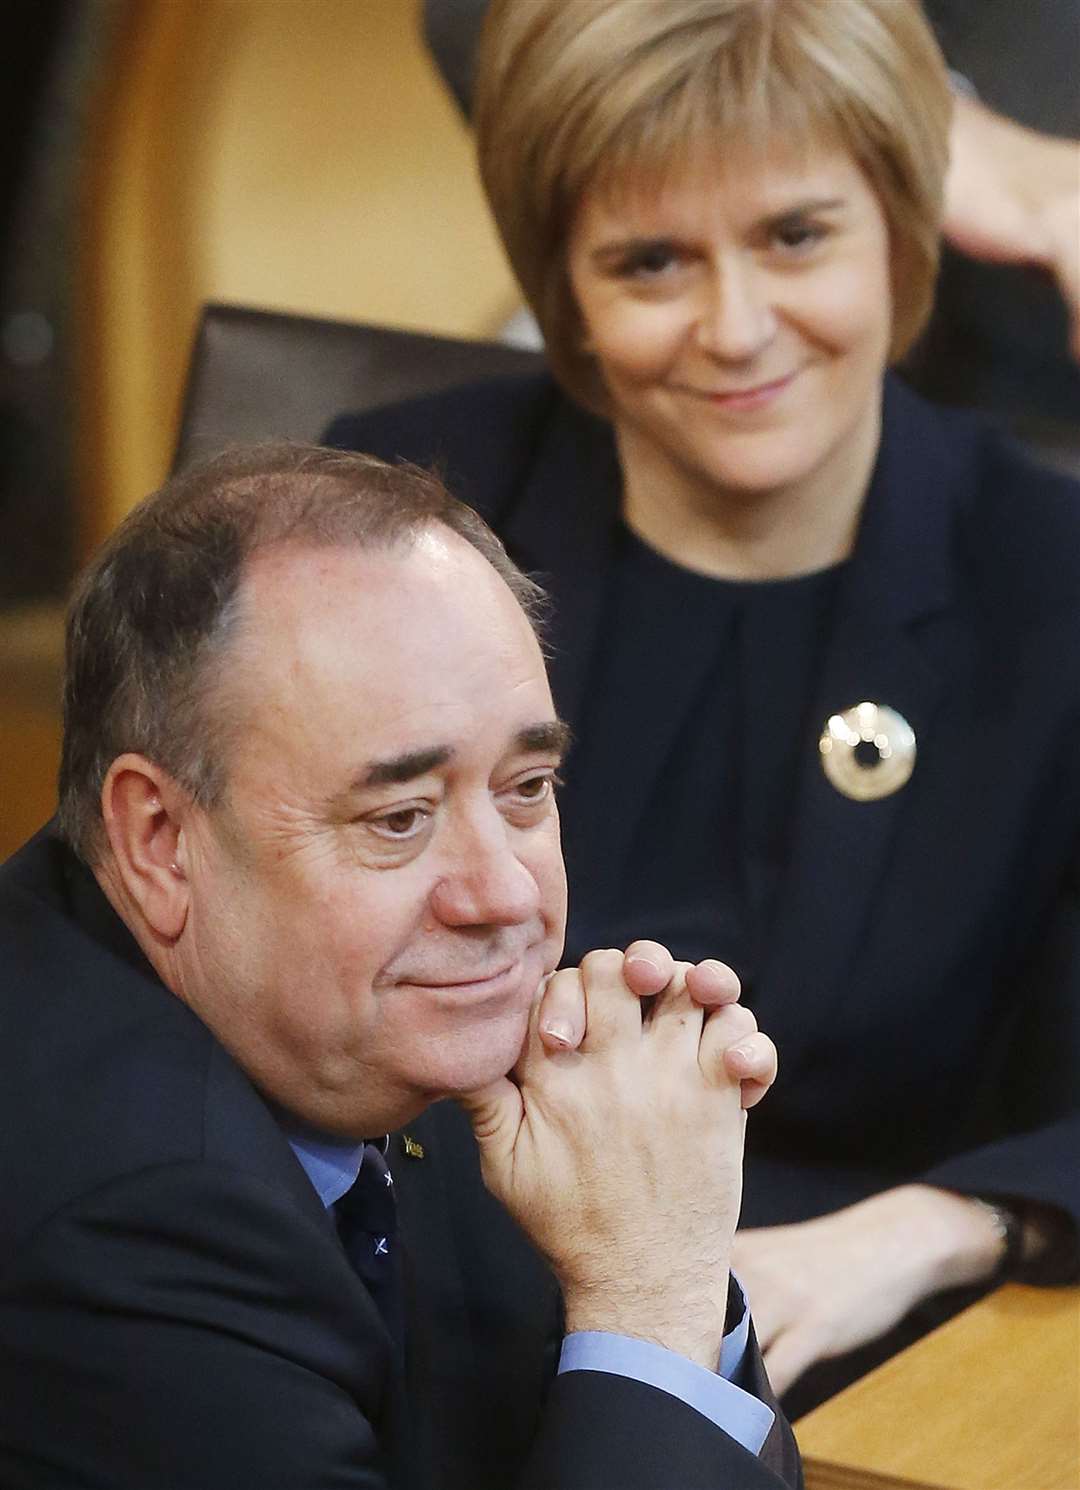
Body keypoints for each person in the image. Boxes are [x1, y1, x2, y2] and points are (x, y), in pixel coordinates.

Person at [327, 0, 1080, 1412]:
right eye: (652, 259)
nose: (735, 330)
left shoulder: (1055, 582)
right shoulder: (386, 517)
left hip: (857, 1367)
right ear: (565, 286)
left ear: (904, 233)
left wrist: (918, 1234)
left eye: (796, 237)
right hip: (392, 1333)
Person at [0, 442, 801, 1488]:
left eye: (527, 786)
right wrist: (649, 1291)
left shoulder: (378, 1023)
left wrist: (671, 1278)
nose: (504, 893)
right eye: (400, 818)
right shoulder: (119, 1214)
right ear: (159, 838)